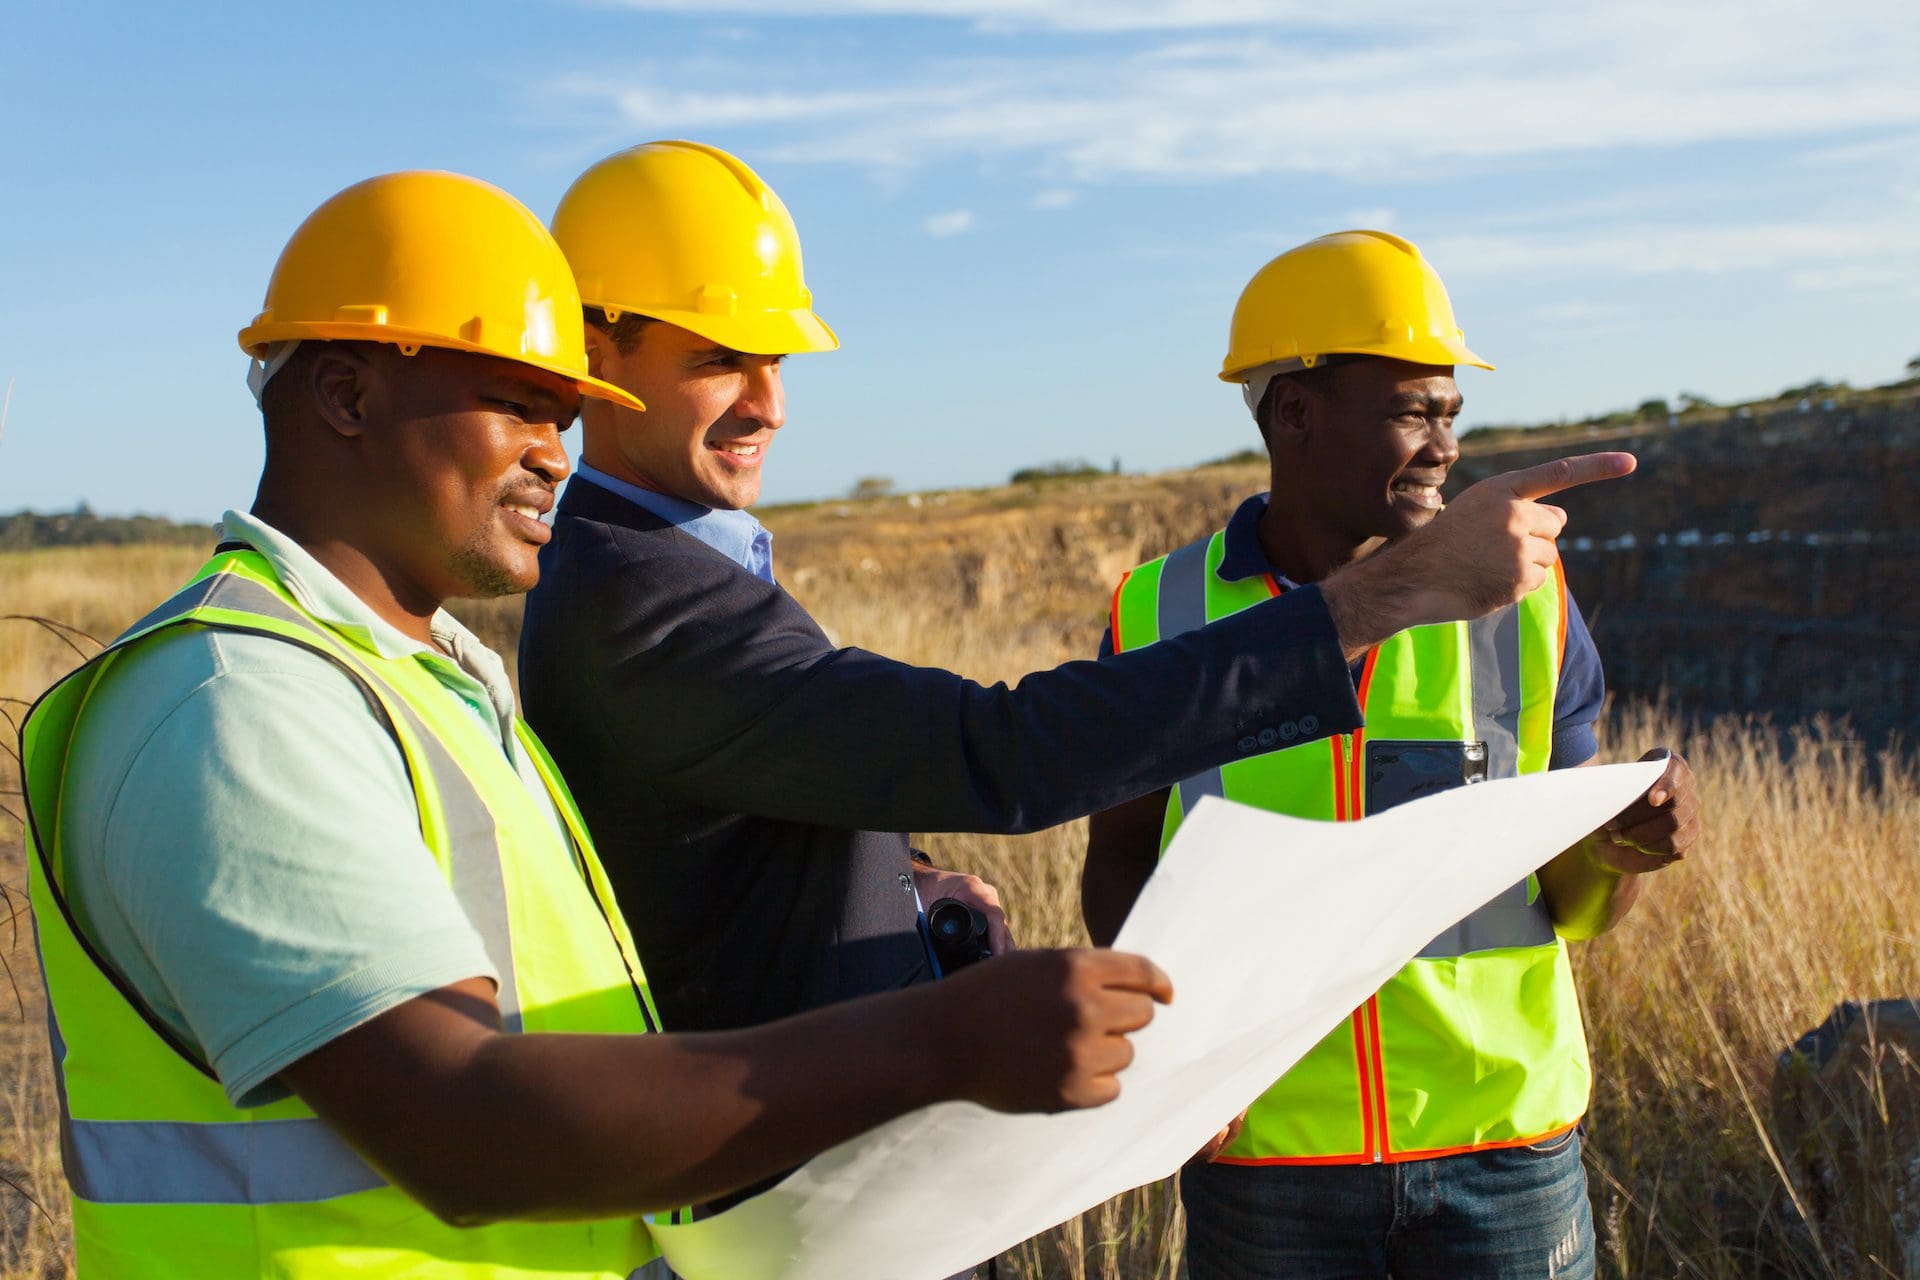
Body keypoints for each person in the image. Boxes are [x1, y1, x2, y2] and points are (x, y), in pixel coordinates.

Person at [20, 169, 1185, 1280]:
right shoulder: (242, 701)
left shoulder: (430, 679)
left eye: (567, 416)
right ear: (346, 394)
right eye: (520, 403)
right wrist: (940, 1040)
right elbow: (462, 1123)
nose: (553, 456)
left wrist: (895, 882)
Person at [520, 141, 1634, 1044]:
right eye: (721, 356)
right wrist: (1373, 601)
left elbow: (750, 808)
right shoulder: (640, 599)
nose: (771, 404)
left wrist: (903, 880)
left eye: (780, 361)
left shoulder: (675, 567)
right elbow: (999, 750)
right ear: (592, 348)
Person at [1080, 229, 1703, 1280]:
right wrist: (1174, 1067)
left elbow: (1577, 905)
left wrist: (1622, 850)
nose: (1445, 446)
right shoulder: (1159, 611)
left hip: (1502, 1152)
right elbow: (1122, 858)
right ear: (1295, 413)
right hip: (1268, 1158)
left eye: (1451, 413)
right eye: (1414, 411)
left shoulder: (1532, 604)